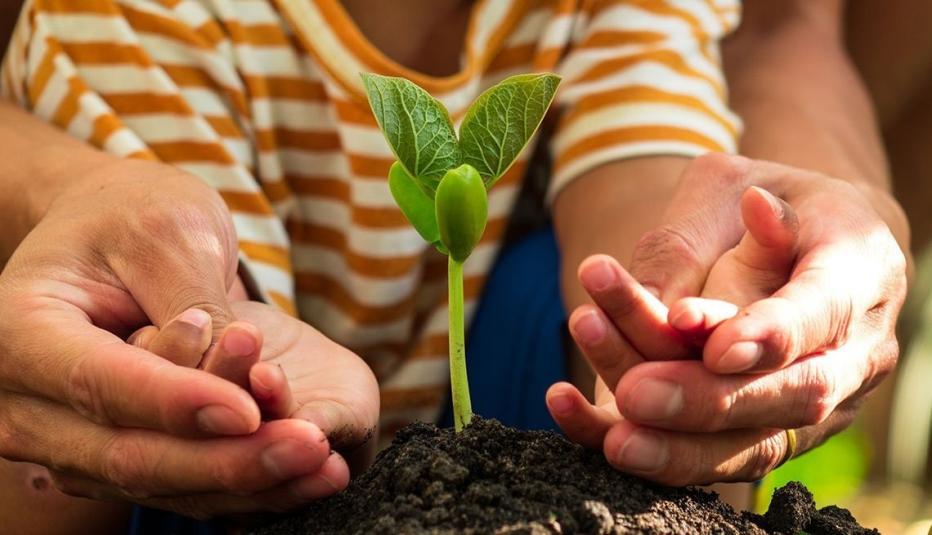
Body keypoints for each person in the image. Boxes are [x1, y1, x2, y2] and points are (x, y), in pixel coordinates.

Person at [0, 0, 908, 532]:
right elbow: (193, 271)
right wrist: (230, 342)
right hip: (201, 432)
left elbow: (652, 191)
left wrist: (685, 319)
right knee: (128, 411)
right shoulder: (121, 22)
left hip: (495, 366)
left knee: (600, 349)